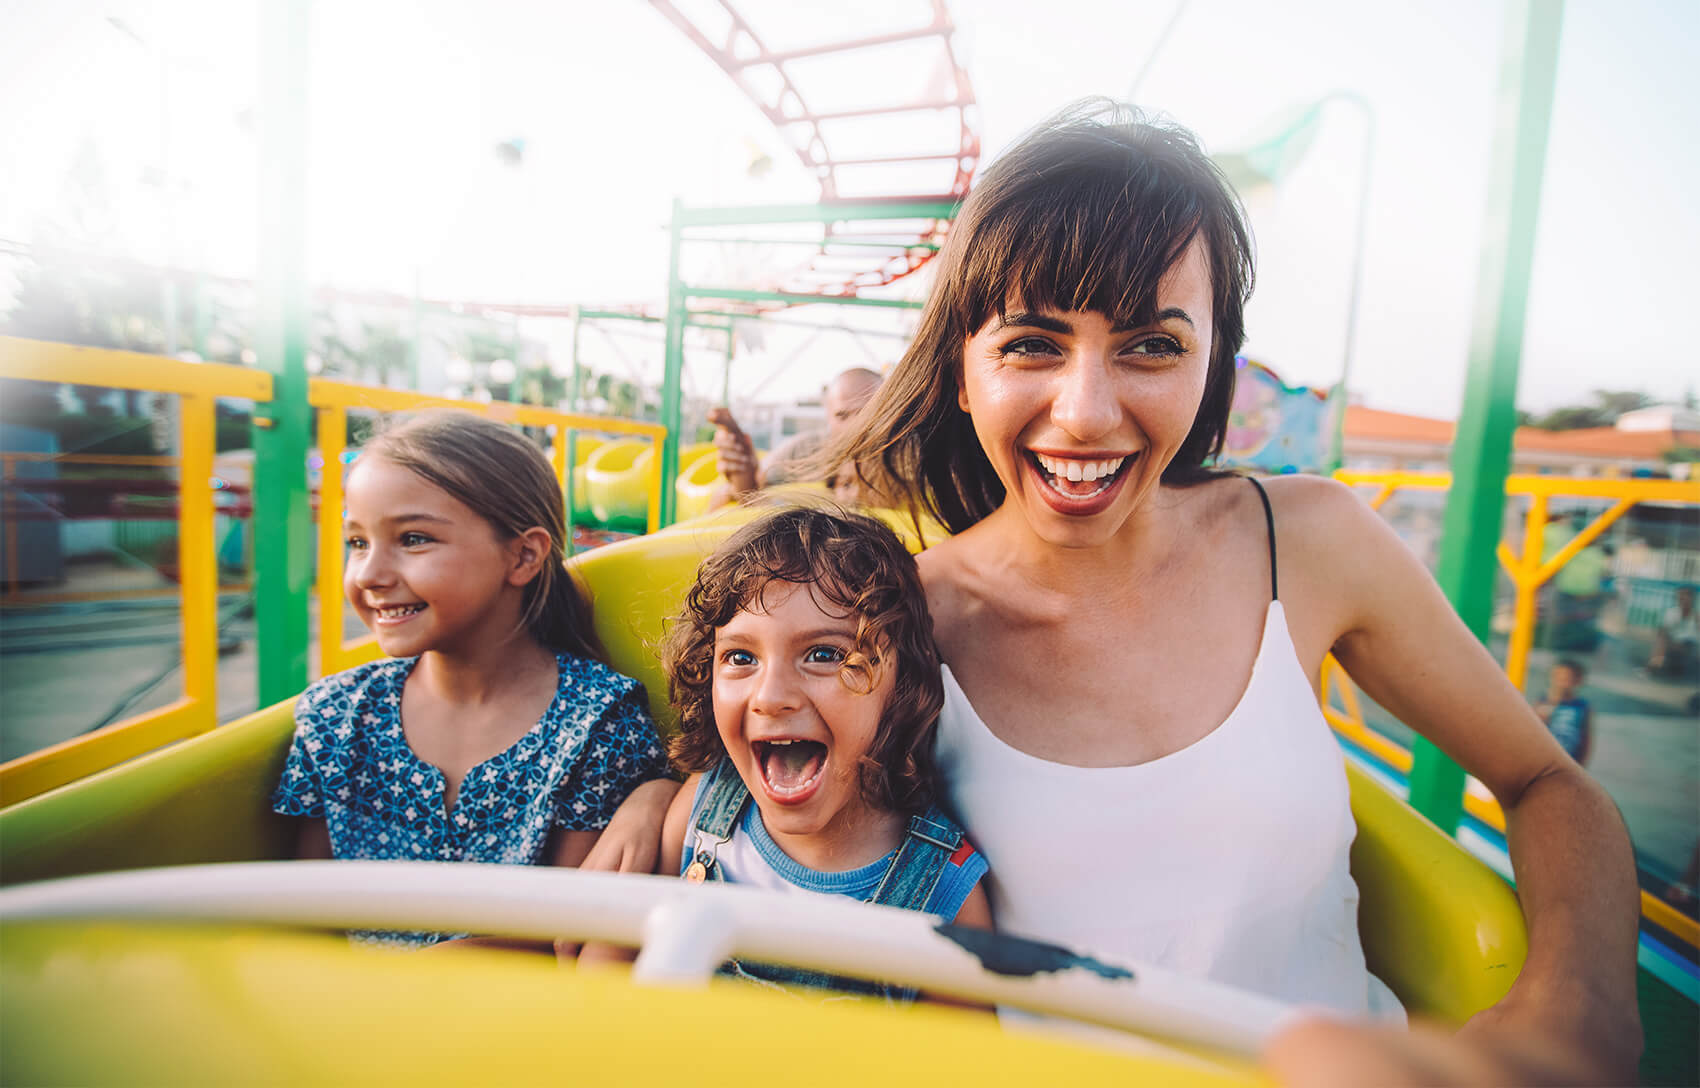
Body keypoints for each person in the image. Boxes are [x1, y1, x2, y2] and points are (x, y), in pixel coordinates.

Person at [594, 102, 1641, 1082]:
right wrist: (654, 794)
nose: (1085, 411)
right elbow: (771, 782)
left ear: (1212, 367)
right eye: (1031, 345)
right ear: (962, 371)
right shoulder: (891, 622)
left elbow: (1549, 785)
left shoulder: (1308, 542)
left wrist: (1574, 1007)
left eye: (1150, 344)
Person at [272, 410, 668, 947]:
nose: (369, 574)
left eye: (412, 539)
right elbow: (306, 916)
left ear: (524, 555)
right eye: (358, 542)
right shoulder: (336, 715)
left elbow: (567, 940)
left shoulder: (598, 721)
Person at [611, 506, 992, 998]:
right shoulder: (701, 810)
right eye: (740, 657)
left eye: (825, 654)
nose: (771, 696)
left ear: (903, 683)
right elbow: (612, 955)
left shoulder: (941, 889)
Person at [707, 367, 884, 508]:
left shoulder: (904, 456)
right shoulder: (804, 449)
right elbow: (746, 493)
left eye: (866, 413)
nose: (855, 426)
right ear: (828, 415)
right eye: (842, 416)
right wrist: (744, 475)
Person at [1534, 659, 1592, 765]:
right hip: (1543, 759)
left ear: (1578, 680)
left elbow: (1586, 738)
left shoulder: (1582, 707)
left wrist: (1581, 764)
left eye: (1567, 679)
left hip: (1569, 760)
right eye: (1558, 677)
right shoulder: (1541, 702)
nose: (1561, 683)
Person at [1647, 584, 1698, 677]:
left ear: (1692, 598)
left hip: (1689, 645)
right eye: (1680, 596)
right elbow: (1662, 631)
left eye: (1685, 596)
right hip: (1672, 643)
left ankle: (1653, 666)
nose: (1682, 599)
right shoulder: (1672, 613)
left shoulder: (1696, 616)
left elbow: (1696, 637)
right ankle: (1654, 665)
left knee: (1665, 641)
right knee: (1661, 639)